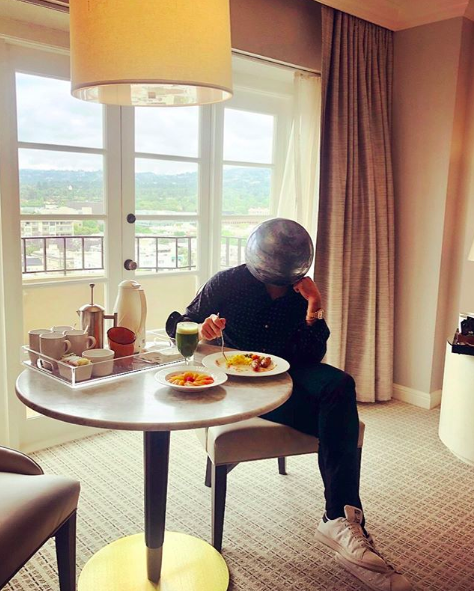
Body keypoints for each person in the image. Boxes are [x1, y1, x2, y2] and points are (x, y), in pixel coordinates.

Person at [166, 219, 411, 591]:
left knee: (340, 385)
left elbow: (311, 355)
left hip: (290, 373)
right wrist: (202, 329)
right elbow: (180, 323)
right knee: (339, 423)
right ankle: (345, 520)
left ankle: (338, 519)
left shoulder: (301, 291)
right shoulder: (227, 282)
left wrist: (315, 305)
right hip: (244, 385)